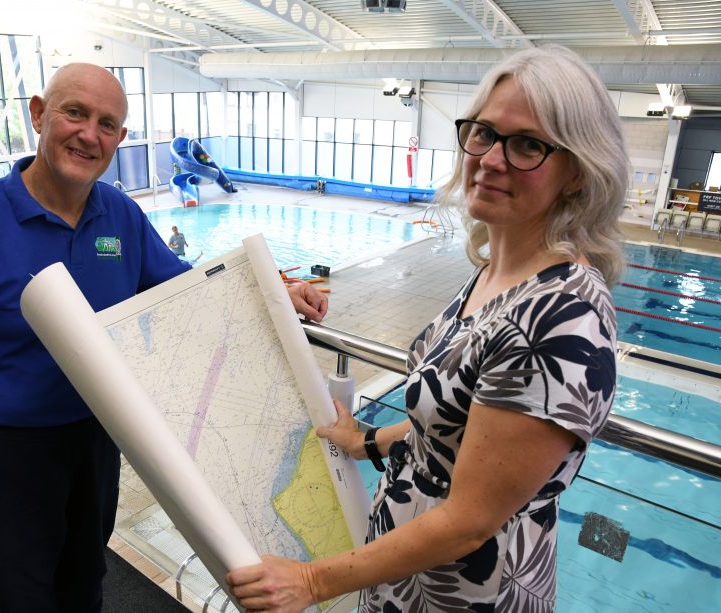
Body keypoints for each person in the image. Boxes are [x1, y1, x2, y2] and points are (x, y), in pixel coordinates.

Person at [0, 62, 328, 613]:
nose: (89, 134)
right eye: (74, 113)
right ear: (38, 115)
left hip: (97, 438)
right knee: (19, 595)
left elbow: (189, 291)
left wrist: (277, 291)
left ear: (120, 138)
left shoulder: (119, 214)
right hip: (4, 449)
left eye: (106, 124)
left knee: (84, 582)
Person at [227, 44, 627, 612]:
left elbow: (469, 522)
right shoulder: (498, 274)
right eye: (484, 133)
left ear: (577, 174)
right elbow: (451, 429)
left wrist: (312, 582)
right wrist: (366, 441)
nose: (492, 158)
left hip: (465, 595)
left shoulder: (563, 316)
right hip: (410, 579)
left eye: (528, 145)